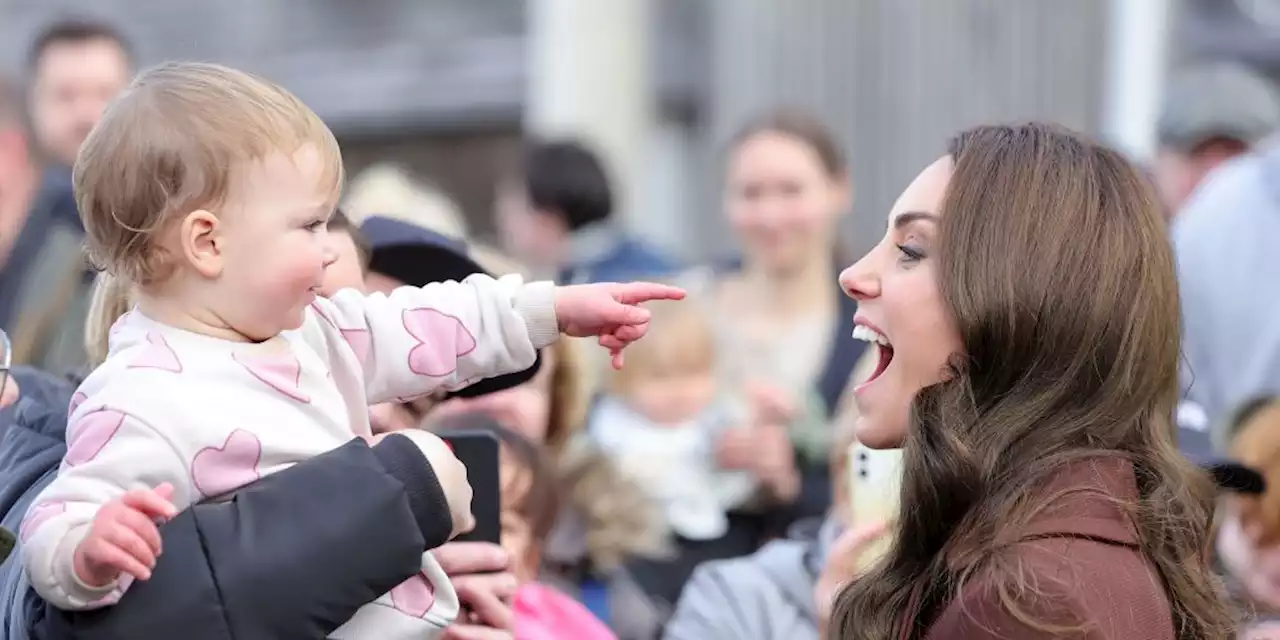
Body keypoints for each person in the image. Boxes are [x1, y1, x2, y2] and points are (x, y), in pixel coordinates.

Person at [18, 61, 682, 636]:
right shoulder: (141, 394)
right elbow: (58, 520)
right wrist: (90, 553)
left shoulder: (314, 333)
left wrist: (553, 309)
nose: (331, 245)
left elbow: (436, 323)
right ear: (208, 243)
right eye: (308, 224)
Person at [824, 123, 1232, 639]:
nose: (853, 274)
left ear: (1025, 303)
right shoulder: (1065, 558)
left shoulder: (1024, 603)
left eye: (911, 249)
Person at [1, 19, 134, 374]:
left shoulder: (155, 219)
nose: (86, 114)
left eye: (105, 93)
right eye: (65, 95)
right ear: (32, 102)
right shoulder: (24, 213)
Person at [590, 299, 756, 542]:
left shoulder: (718, 419)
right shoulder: (615, 431)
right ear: (621, 380)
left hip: (719, 530)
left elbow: (742, 482)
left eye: (694, 373)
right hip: (640, 538)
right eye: (661, 377)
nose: (680, 391)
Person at [438, 415, 616, 640]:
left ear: (531, 559)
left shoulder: (564, 627)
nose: (466, 532)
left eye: (501, 524)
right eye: (447, 517)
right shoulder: (385, 604)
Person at [494, 139, 680, 284]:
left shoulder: (596, 295)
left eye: (513, 211)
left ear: (548, 220)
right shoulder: (651, 262)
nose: (505, 225)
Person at [1153, 62, 1279, 219]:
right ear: (1160, 162)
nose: (1215, 178)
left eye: (1235, 157)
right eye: (1198, 154)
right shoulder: (1122, 234)